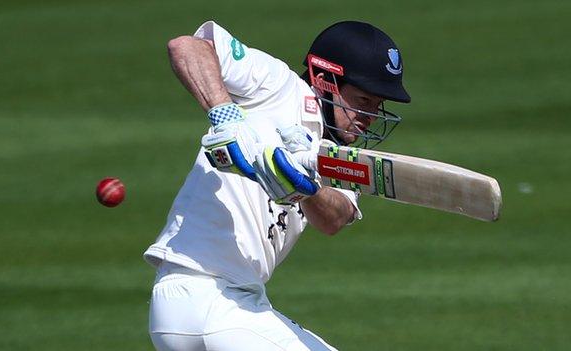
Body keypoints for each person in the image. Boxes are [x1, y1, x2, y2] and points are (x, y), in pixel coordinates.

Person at [144, 20, 410, 350]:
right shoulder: (277, 84)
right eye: (364, 100)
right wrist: (225, 115)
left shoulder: (336, 155)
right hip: (203, 291)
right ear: (325, 81)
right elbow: (187, 47)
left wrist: (305, 188)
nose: (370, 115)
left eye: (378, 105)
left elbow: (334, 218)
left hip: (240, 302)